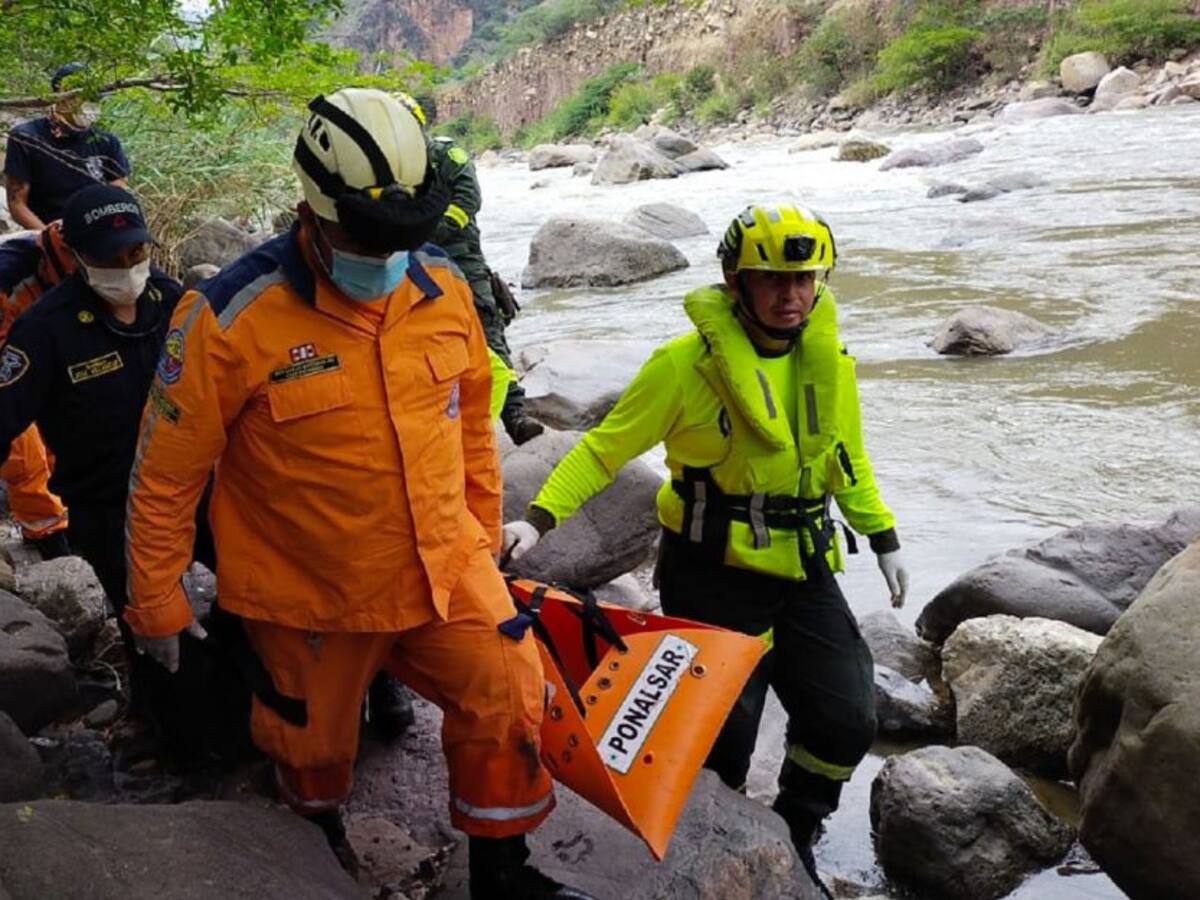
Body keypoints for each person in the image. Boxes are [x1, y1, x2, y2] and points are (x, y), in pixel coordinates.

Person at [122, 88, 592, 899]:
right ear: (313, 206)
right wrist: (156, 598)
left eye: (406, 236)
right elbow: (167, 469)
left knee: (512, 689)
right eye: (371, 237)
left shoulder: (443, 290)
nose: (388, 256)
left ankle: (503, 872)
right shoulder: (231, 316)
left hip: (444, 568)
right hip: (311, 592)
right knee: (310, 749)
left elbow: (472, 428)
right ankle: (315, 841)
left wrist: (481, 539)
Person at [501, 203, 909, 894]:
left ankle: (795, 829)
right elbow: (603, 452)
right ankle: (713, 852)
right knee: (724, 740)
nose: (791, 295)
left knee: (847, 717)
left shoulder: (825, 359)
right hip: (711, 574)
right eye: (772, 280)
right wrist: (537, 521)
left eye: (806, 279)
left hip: (803, 566)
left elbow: (845, 457)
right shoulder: (683, 366)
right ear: (734, 281)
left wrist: (883, 535)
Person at [0, 184, 203, 729]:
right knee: (144, 625)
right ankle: (162, 734)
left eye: (135, 253)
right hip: (108, 502)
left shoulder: (169, 298)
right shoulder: (45, 331)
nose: (127, 267)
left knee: (232, 603)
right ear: (78, 258)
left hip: (193, 488)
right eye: (110, 259)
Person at [401, 94, 543, 446]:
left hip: (460, 257)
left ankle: (514, 415)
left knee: (487, 328)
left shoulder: (445, 155)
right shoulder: (389, 169)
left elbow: (468, 198)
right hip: (409, 262)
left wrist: (430, 233)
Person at [0, 222, 75, 555]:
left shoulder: (95, 261)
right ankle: (44, 529)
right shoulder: (9, 275)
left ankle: (71, 506)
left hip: (31, 335)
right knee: (22, 444)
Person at [3, 62, 130, 231]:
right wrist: (49, 239)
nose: (90, 104)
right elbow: (17, 203)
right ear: (60, 96)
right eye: (81, 96)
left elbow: (118, 194)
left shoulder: (106, 141)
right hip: (43, 233)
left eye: (94, 98)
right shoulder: (26, 138)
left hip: (97, 233)